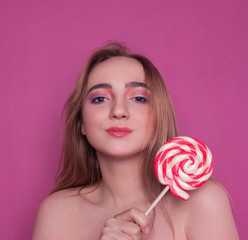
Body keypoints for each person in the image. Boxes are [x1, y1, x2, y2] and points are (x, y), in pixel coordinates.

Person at [32, 43, 239, 240]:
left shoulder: (202, 201)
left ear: (158, 116)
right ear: (81, 124)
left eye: (139, 98)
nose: (119, 111)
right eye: (100, 99)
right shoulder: (57, 213)